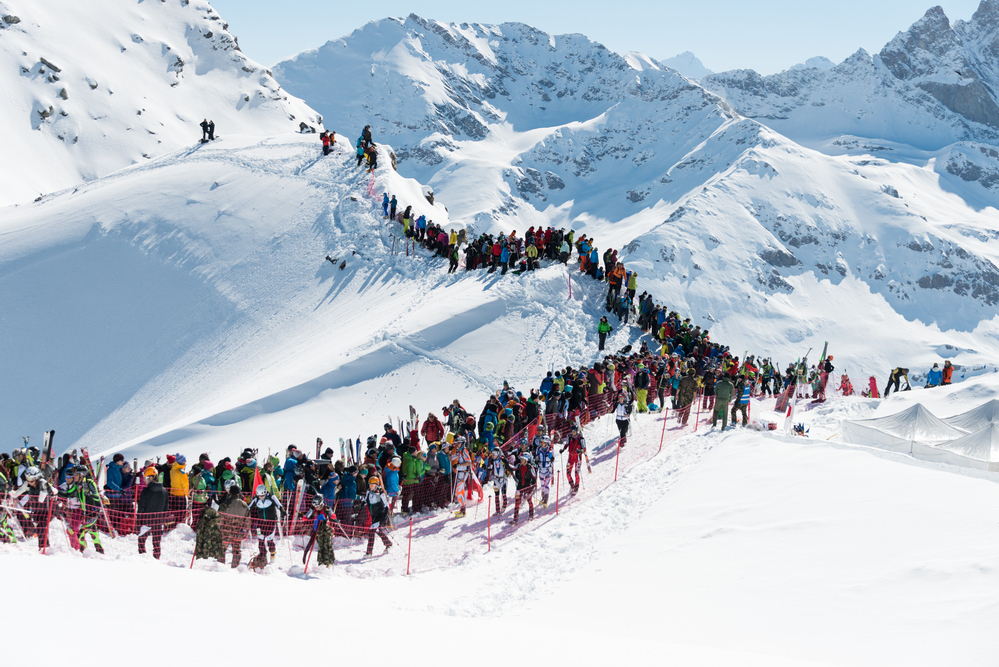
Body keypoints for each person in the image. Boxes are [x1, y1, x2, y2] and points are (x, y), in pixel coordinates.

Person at [10, 466, 54, 550]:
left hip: (47, 509)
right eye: (27, 479)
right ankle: (44, 547)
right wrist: (8, 488)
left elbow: (54, 491)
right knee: (39, 529)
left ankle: (44, 548)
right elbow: (15, 494)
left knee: (41, 528)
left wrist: (47, 491)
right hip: (37, 510)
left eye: (31, 480)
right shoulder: (27, 484)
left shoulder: (42, 482)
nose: (29, 482)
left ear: (36, 478)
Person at [247, 484, 283, 568]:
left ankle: (273, 553)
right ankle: (262, 555)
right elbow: (249, 508)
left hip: (271, 523)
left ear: (265, 493)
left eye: (262, 495)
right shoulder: (256, 499)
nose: (261, 497)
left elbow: (279, 505)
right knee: (260, 539)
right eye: (259, 496)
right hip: (260, 523)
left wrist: (283, 512)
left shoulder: (272, 498)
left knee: (270, 540)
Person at [137, 465, 168, 559]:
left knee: (141, 541)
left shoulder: (146, 491)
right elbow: (166, 508)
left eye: (145, 478)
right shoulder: (164, 491)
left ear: (151, 477)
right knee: (157, 543)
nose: (144, 481)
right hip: (159, 521)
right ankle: (156, 559)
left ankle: (143, 558)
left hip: (147, 522)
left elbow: (141, 508)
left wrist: (139, 521)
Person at [363, 476, 393, 556]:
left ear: (376, 485)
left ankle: (369, 552)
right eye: (370, 485)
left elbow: (386, 506)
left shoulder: (381, 494)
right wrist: (361, 505)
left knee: (371, 532)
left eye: (372, 485)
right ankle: (388, 544)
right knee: (377, 530)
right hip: (373, 515)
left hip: (380, 515)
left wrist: (383, 517)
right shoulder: (369, 492)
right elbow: (365, 500)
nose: (371, 486)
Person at [561, 427, 589, 494]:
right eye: (571, 431)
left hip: (578, 458)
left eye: (574, 431)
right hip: (570, 458)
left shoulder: (581, 438)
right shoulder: (569, 437)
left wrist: (580, 451)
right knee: (567, 473)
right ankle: (572, 486)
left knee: (576, 473)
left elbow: (584, 449)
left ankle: (576, 488)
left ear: (576, 431)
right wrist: (563, 449)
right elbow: (567, 444)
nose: (573, 432)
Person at [511, 453, 536, 525]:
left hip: (527, 487)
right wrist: (505, 461)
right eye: (520, 459)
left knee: (529, 501)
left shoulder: (531, 468)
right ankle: (515, 520)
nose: (521, 460)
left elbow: (534, 478)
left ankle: (531, 515)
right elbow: (512, 468)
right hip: (519, 487)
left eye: (522, 459)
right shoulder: (518, 466)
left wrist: (531, 488)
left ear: (526, 460)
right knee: (517, 503)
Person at [452, 437, 473, 517]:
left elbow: (469, 462)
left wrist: (459, 465)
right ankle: (462, 509)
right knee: (461, 491)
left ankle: (463, 510)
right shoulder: (460, 451)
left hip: (463, 473)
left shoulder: (464, 451)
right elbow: (452, 457)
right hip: (460, 472)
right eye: (457, 443)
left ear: (462, 443)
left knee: (458, 491)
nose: (457, 444)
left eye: (458, 443)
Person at [485, 448, 509, 515]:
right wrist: (485, 468)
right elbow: (491, 468)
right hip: (496, 480)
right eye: (492, 454)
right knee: (496, 495)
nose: (492, 456)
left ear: (498, 454)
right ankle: (497, 510)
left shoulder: (502, 460)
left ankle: (504, 507)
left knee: (503, 494)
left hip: (503, 479)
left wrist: (505, 462)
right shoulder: (493, 461)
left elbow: (508, 466)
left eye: (494, 454)